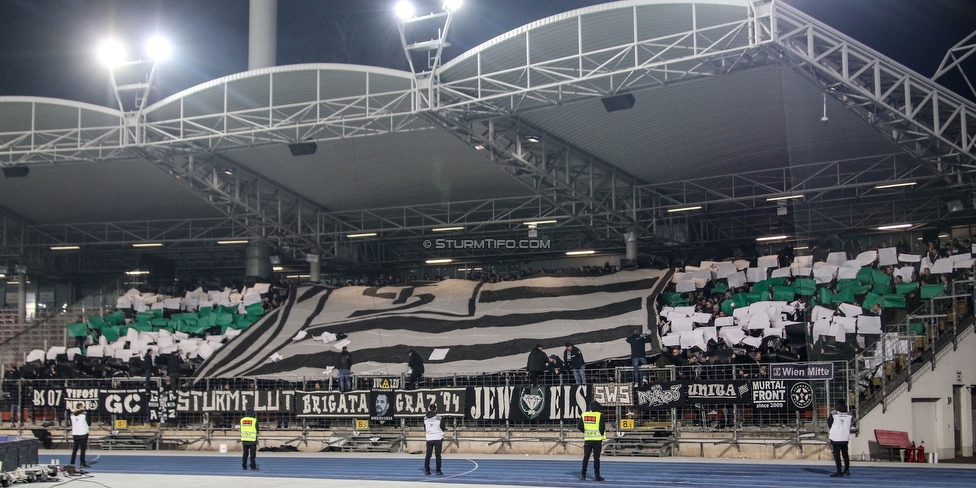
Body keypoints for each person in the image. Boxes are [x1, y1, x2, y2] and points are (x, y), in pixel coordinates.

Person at [577, 400, 606, 481]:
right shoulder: (599, 415)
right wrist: (600, 434)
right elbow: (602, 428)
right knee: (596, 458)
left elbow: (579, 426)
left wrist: (586, 432)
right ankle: (597, 475)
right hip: (597, 440)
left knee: (586, 457)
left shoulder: (584, 415)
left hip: (588, 439)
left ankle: (583, 475)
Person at [827, 399, 853, 477]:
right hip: (845, 437)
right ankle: (847, 469)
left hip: (835, 437)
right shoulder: (849, 414)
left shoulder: (833, 413)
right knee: (845, 454)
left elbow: (829, 423)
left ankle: (839, 471)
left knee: (837, 455)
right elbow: (851, 424)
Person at [423, 403, 445, 476]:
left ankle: (427, 470)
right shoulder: (439, 418)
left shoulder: (425, 418)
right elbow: (443, 428)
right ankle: (438, 470)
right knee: (438, 455)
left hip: (429, 438)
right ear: (436, 409)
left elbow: (425, 428)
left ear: (429, 409)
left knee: (428, 455)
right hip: (438, 438)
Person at [69, 403, 91, 468]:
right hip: (83, 433)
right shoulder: (85, 414)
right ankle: (82, 462)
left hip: (75, 433)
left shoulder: (71, 415)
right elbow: (89, 423)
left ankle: (72, 462)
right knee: (83, 449)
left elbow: (71, 422)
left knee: (75, 449)